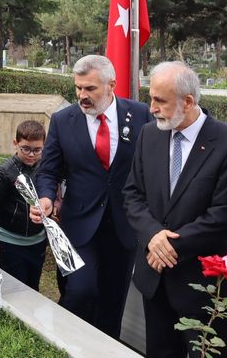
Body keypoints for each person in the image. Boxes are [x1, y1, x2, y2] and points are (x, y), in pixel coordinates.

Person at [122, 61, 227, 358]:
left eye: (160, 100)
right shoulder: (148, 134)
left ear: (188, 101)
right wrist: (154, 236)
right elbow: (132, 194)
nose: (151, 107)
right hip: (154, 276)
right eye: (151, 97)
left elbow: (226, 214)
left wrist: (167, 246)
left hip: (203, 282)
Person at [29, 55, 152, 338]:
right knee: (81, 289)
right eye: (78, 88)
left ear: (112, 85)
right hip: (79, 225)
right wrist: (46, 198)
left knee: (112, 302)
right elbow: (48, 171)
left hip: (124, 226)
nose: (82, 96)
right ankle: (69, 343)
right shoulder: (63, 120)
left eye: (90, 89)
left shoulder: (141, 115)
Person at [0, 120, 48, 290]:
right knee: (16, 291)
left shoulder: (46, 169)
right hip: (10, 244)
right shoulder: (3, 172)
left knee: (34, 287)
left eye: (37, 150)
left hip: (37, 242)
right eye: (26, 149)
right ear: (15, 144)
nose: (31, 155)